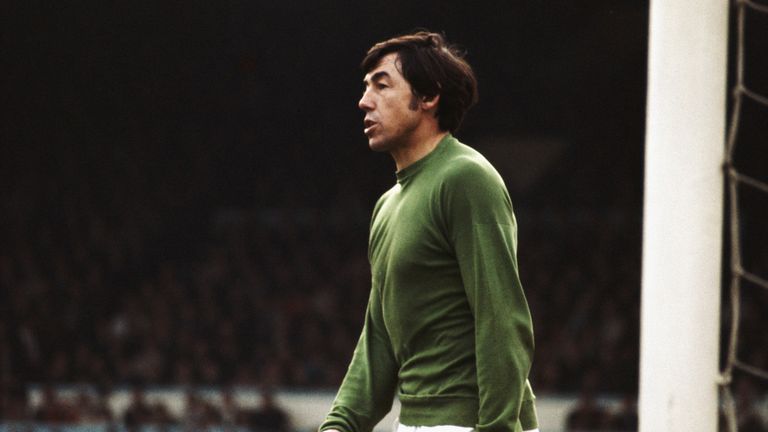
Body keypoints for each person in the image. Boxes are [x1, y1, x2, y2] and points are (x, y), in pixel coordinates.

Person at [320, 31, 538, 432]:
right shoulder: (386, 206)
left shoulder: (466, 178)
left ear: (429, 97)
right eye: (365, 88)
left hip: (471, 423)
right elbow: (379, 337)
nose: (364, 101)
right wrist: (340, 424)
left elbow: (501, 316)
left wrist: (498, 428)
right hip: (415, 423)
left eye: (381, 85)